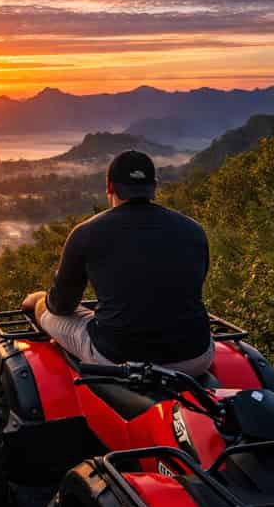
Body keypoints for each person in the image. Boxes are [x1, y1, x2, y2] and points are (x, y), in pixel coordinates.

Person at [21, 150, 214, 376]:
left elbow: (62, 305)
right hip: (195, 356)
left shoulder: (86, 233)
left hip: (119, 357)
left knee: (43, 305)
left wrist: (39, 300)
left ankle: (34, 300)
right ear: (154, 187)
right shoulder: (193, 230)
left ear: (110, 188)